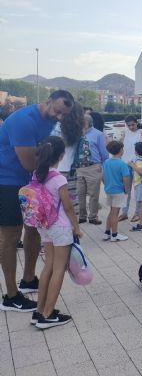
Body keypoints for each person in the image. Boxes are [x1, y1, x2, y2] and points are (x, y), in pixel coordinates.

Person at [0, 90, 74, 313]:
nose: (59, 117)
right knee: (10, 236)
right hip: (9, 183)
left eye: (64, 115)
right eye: (57, 111)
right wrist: (53, 178)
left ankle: (29, 278)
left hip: (31, 184)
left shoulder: (49, 120)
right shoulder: (24, 121)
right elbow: (29, 163)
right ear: (48, 100)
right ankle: (11, 296)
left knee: (33, 230)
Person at [30, 136, 82, 329]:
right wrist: (76, 227)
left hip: (43, 226)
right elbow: (68, 207)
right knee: (59, 268)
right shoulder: (59, 178)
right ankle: (48, 314)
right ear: (61, 155)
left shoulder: (36, 174)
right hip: (60, 227)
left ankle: (39, 311)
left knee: (48, 267)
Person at [51, 103, 85, 222]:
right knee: (70, 204)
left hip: (54, 170)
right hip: (70, 171)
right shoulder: (78, 130)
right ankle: (72, 233)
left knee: (54, 204)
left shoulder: (56, 127)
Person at [76, 114, 108, 225]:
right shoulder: (77, 134)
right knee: (80, 194)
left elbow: (104, 153)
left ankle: (93, 217)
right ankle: (82, 216)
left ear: (87, 123)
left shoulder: (98, 134)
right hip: (79, 167)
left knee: (94, 195)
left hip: (93, 167)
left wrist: (99, 165)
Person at [119, 115, 142, 221]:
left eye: (133, 124)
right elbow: (121, 146)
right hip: (126, 164)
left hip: (137, 165)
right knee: (125, 189)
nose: (131, 127)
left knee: (138, 190)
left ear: (136, 123)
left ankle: (137, 213)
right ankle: (124, 212)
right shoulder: (125, 133)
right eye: (129, 125)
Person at [102, 141, 130, 242]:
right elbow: (126, 178)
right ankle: (114, 234)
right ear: (121, 150)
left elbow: (103, 176)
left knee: (111, 211)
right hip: (118, 191)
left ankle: (107, 233)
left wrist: (106, 185)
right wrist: (126, 190)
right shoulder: (122, 164)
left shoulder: (106, 162)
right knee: (115, 213)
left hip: (109, 190)